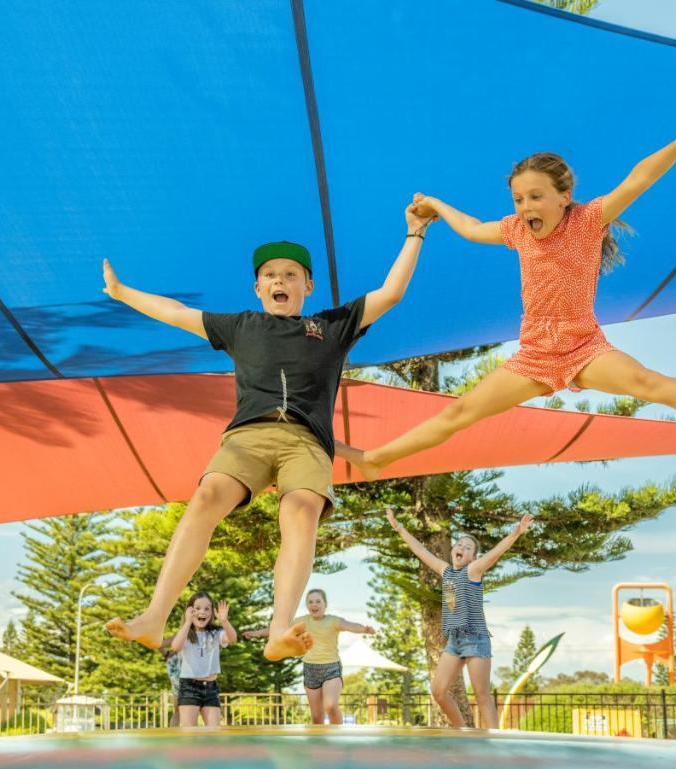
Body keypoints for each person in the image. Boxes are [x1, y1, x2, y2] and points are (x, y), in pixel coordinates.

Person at [339, 96, 676, 480]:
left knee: (647, 381)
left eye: (535, 196)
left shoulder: (588, 221)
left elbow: (638, 178)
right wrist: (434, 204)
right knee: (459, 413)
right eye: (518, 199)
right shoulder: (517, 231)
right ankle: (377, 459)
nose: (525, 206)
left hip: (584, 347)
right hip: (534, 355)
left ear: (564, 195)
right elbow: (472, 229)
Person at [106, 198, 435, 660]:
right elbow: (175, 312)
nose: (280, 280)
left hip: (306, 442)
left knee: (301, 512)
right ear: (258, 287)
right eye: (271, 275)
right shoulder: (241, 326)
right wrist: (122, 292)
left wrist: (415, 233)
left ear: (308, 285)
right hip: (247, 436)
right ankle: (155, 616)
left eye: (290, 274)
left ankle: (282, 628)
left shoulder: (332, 327)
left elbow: (391, 292)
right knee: (205, 496)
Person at [385, 508, 533, 729]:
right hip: (455, 641)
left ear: (473, 557)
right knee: (438, 690)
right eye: (459, 544)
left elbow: (495, 553)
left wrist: (516, 532)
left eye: (468, 547)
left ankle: (496, 742)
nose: (461, 548)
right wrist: (399, 527)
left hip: (475, 638)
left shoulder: (473, 570)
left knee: (482, 695)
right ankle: (462, 730)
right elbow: (421, 551)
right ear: (453, 550)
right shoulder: (446, 572)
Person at [244, 588, 376, 724]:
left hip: (331, 669)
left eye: (318, 601)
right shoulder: (301, 622)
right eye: (310, 602)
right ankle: (320, 744)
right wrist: (256, 633)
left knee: (330, 706)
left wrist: (364, 629)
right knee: (317, 717)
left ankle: (337, 736)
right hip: (310, 669)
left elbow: (350, 626)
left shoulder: (333, 621)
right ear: (307, 605)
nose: (314, 605)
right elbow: (279, 631)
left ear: (325, 604)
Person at [171, 592, 237, 728]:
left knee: (214, 732)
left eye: (207, 608)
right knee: (189, 734)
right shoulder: (186, 634)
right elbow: (175, 646)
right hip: (189, 687)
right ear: (190, 611)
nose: (203, 612)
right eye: (198, 608)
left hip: (211, 688)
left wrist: (225, 622)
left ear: (212, 613)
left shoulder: (216, 633)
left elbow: (232, 639)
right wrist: (188, 622)